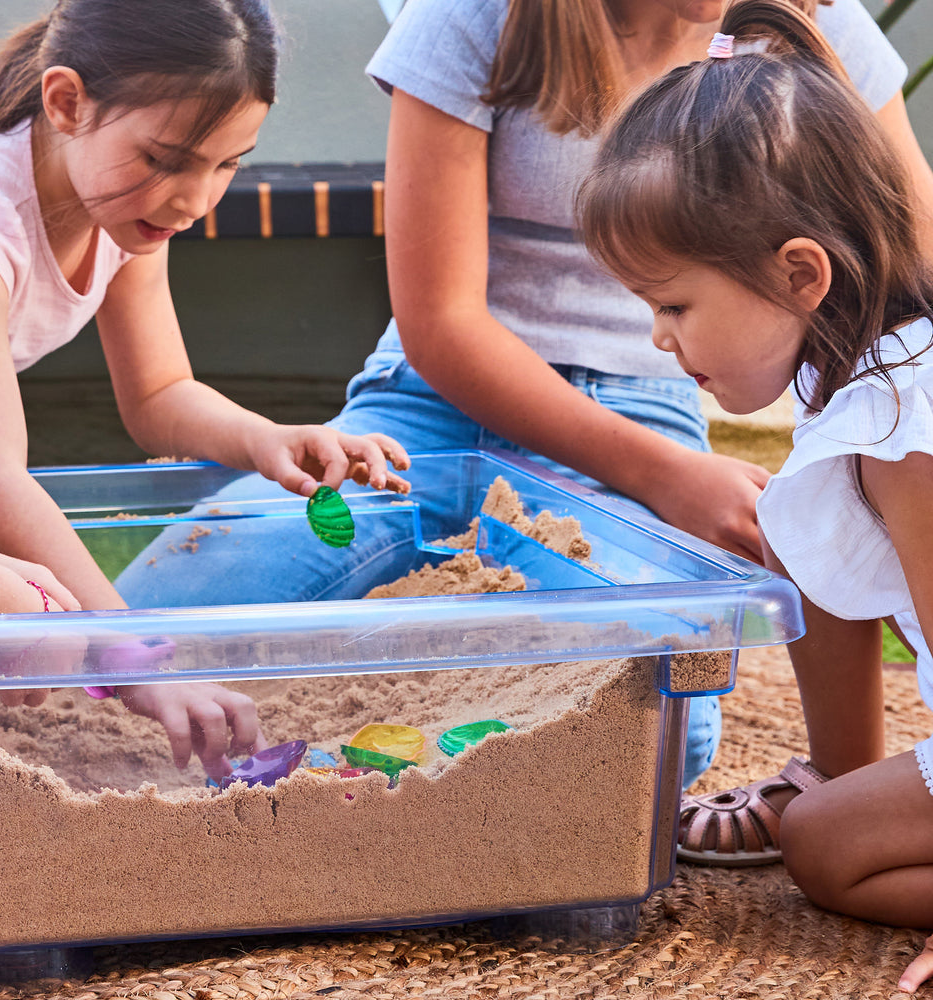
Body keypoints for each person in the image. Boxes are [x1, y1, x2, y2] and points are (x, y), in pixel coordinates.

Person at [117, 0, 925, 792]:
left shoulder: (812, 22)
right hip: (424, 415)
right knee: (138, 633)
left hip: (645, 412)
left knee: (658, 725)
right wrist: (666, 478)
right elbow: (441, 322)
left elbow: (900, 263)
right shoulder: (478, 17)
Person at [0, 0, 410, 779]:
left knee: (41, 613)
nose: (195, 199)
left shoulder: (122, 212)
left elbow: (158, 393)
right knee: (30, 620)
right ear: (66, 102)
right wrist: (138, 658)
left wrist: (268, 440)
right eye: (165, 159)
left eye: (227, 164)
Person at [575, 0, 933, 990]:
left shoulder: (909, 429)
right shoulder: (859, 383)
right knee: (795, 524)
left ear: (798, 273)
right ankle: (844, 775)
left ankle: (842, 801)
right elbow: (818, 559)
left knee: (822, 849)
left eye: (673, 304)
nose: (658, 339)